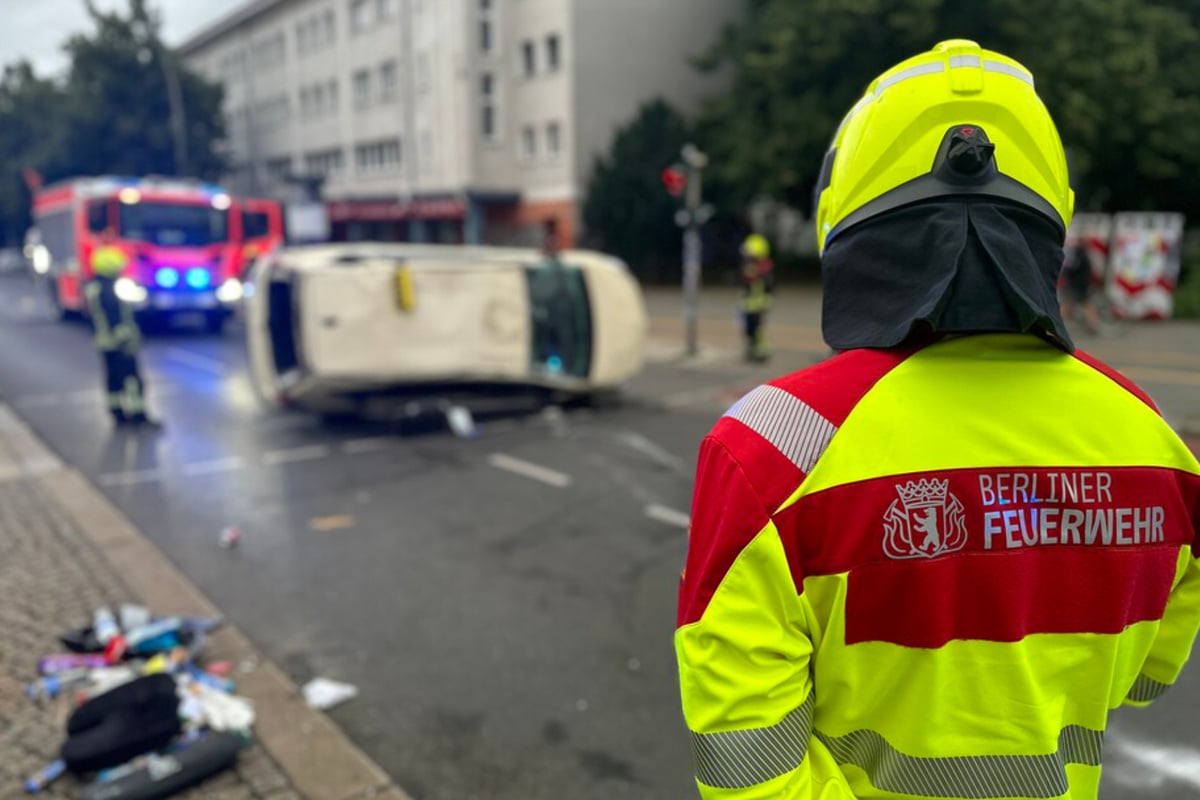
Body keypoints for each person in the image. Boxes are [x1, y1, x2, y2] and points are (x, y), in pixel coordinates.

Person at [675, 40, 1199, 799]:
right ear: (1048, 215)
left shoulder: (768, 448)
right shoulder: (1153, 445)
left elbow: (747, 769)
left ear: (847, 210)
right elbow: (1140, 684)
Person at [85, 230, 159, 427]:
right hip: (119, 343)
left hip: (105, 343)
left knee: (113, 380)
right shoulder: (109, 289)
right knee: (133, 380)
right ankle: (138, 415)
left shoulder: (94, 287)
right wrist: (127, 338)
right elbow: (116, 316)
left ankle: (117, 414)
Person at [739, 233, 775, 362]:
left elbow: (767, 287)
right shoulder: (750, 266)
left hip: (758, 304)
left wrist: (766, 302)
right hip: (749, 304)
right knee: (749, 329)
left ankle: (761, 353)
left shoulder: (763, 267)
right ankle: (752, 350)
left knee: (758, 330)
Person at [1060, 234, 1103, 334]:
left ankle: (1056, 325)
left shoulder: (1080, 255)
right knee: (1086, 305)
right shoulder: (1084, 255)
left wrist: (1065, 270)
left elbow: (1073, 269)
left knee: (1068, 306)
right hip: (1082, 285)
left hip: (1078, 286)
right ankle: (1092, 325)